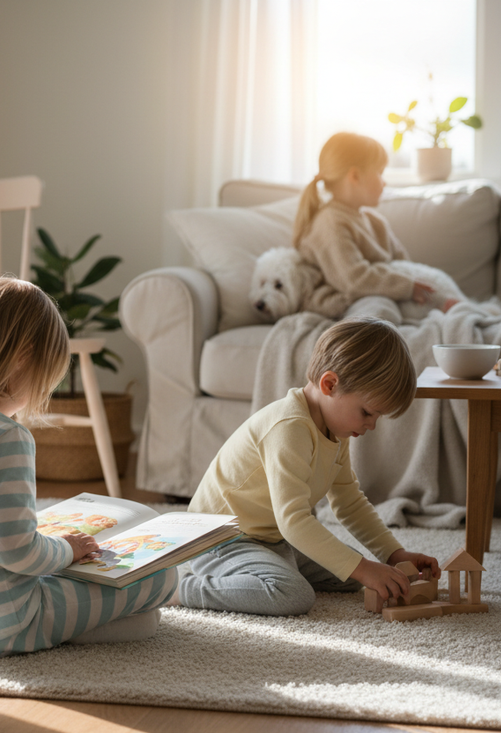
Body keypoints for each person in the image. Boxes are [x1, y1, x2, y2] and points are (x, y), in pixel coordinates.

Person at [0, 276, 176, 656]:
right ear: (23, 356)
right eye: (43, 380)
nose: (35, 398)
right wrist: (68, 550)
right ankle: (71, 631)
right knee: (161, 577)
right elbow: (18, 555)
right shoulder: (5, 437)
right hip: (5, 623)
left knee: (54, 566)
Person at [176, 316, 439, 616]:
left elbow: (349, 502)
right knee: (293, 594)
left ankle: (267, 568)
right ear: (329, 384)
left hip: (270, 538)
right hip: (219, 538)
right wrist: (364, 568)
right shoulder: (290, 427)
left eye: (377, 417)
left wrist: (393, 555)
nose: (372, 426)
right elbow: (294, 521)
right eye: (367, 412)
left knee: (350, 576)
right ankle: (181, 589)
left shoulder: (336, 430)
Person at [293, 132, 458, 315]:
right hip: (345, 302)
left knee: (414, 305)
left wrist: (425, 292)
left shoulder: (375, 221)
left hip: (384, 295)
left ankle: (447, 311)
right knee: (380, 312)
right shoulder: (330, 223)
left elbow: (404, 266)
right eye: (380, 173)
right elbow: (353, 280)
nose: (384, 182)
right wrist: (406, 287)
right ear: (355, 176)